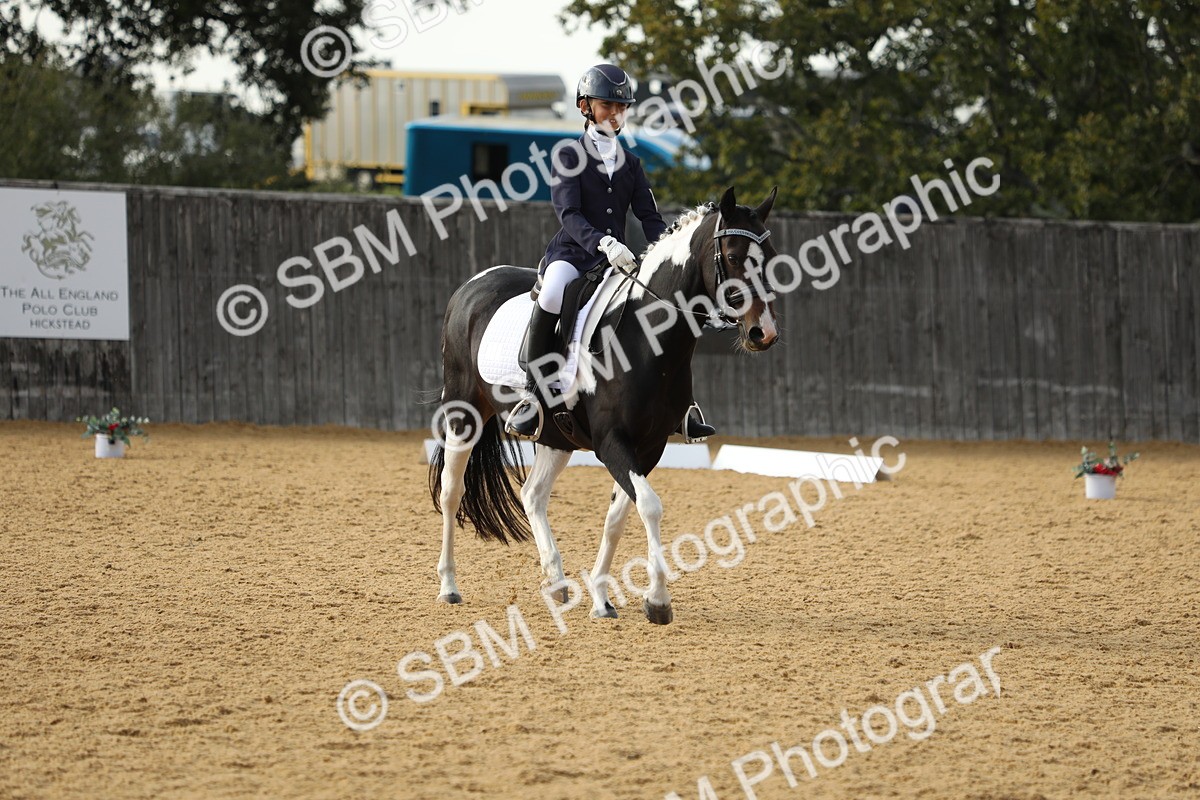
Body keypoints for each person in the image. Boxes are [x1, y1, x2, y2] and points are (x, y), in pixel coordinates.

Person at [504, 64, 717, 443]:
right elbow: (568, 213)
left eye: (622, 107)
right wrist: (602, 242)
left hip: (617, 262)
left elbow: (650, 217)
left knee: (662, 306)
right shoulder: (569, 155)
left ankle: (683, 405)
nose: (615, 114)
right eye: (607, 105)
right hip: (573, 255)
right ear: (585, 106)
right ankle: (533, 397)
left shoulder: (632, 164)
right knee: (553, 293)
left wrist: (666, 252)